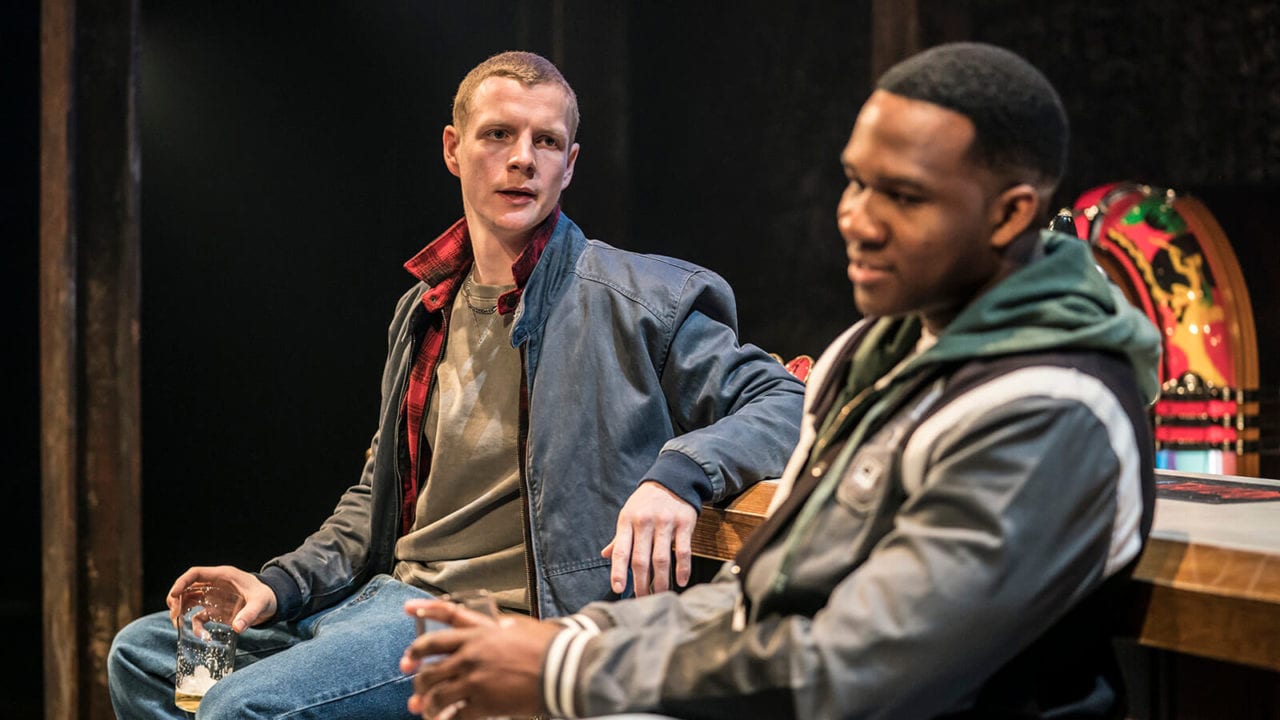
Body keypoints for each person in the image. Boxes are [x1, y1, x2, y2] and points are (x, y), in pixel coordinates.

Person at [400, 42, 1163, 719]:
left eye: (902, 195)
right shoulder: (870, 354)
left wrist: (562, 668)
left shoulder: (1053, 403)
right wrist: (573, 638)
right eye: (855, 182)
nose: (855, 219)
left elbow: (859, 673)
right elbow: (761, 594)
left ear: (1010, 215)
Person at [108, 50, 805, 718]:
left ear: (569, 166)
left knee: (240, 705)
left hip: (475, 623)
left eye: (547, 141)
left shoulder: (640, 299)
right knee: (144, 656)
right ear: (453, 148)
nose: (523, 157)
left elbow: (786, 400)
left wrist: (674, 476)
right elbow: (374, 501)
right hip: (380, 604)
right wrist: (275, 584)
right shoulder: (425, 309)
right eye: (499, 133)